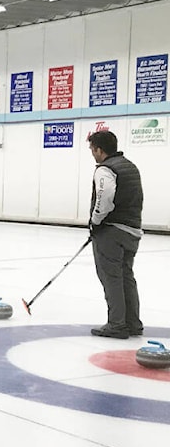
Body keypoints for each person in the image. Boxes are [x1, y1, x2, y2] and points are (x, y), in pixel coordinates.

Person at [87, 130, 144, 339]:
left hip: (112, 232)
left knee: (111, 278)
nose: (92, 154)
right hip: (133, 230)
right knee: (126, 276)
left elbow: (104, 199)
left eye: (93, 150)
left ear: (100, 150)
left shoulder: (105, 170)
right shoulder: (130, 166)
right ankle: (132, 323)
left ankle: (117, 324)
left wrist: (95, 222)